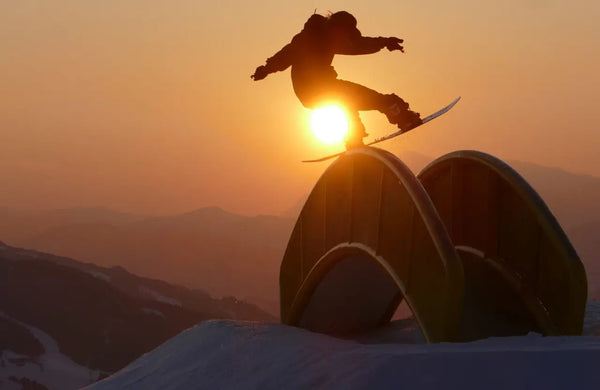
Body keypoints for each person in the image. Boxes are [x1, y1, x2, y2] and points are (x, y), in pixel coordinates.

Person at [251, 11, 422, 149]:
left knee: (348, 101)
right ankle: (402, 117)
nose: (344, 41)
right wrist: (266, 69)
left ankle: (354, 137)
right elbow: (286, 55)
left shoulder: (330, 37)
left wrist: (385, 42)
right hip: (314, 90)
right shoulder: (308, 39)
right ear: (335, 29)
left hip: (320, 91)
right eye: (344, 35)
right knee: (369, 99)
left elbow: (359, 45)